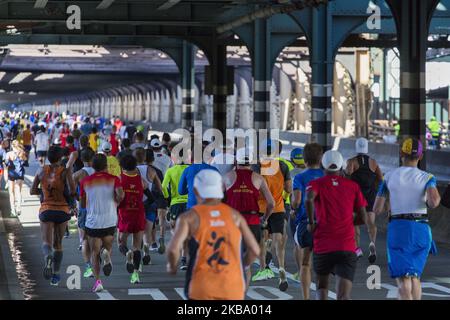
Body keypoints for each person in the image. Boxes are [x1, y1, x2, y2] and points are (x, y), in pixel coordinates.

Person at [167, 169, 260, 300]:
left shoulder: (189, 218)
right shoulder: (235, 216)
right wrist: (242, 266)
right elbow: (254, 250)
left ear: (196, 191)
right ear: (220, 190)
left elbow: (172, 249)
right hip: (232, 287)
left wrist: (172, 267)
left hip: (201, 287)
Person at [373, 138, 441, 300]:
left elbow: (377, 209)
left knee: (403, 280)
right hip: (421, 230)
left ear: (401, 153)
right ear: (420, 156)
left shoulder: (388, 177)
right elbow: (434, 202)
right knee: (415, 276)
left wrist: (391, 201)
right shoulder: (428, 177)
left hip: (399, 229)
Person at [306, 150, 367, 300]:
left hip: (323, 246)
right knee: (344, 295)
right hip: (346, 246)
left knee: (321, 288)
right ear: (341, 167)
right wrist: (349, 222)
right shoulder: (353, 186)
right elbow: (364, 217)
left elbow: (308, 199)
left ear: (323, 165)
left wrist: (311, 222)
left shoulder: (316, 184)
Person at [223, 148, 274, 287]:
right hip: (252, 223)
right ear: (251, 162)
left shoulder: (227, 177)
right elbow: (271, 203)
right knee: (246, 264)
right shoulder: (258, 178)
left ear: (236, 161)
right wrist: (264, 218)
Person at [30, 146, 76, 286]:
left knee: (46, 243)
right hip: (62, 210)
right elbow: (73, 190)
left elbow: (32, 191)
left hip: (46, 209)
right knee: (58, 244)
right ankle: (56, 275)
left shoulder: (40, 170)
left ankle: (47, 256)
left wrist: (44, 190)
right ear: (60, 157)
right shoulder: (65, 171)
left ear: (48, 157)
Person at [79, 153, 124, 292]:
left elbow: (82, 203)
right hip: (110, 219)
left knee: (94, 252)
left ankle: (98, 281)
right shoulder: (114, 179)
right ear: (106, 165)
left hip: (93, 222)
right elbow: (121, 195)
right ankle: (107, 255)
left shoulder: (85, 181)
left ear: (93, 166)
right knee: (108, 246)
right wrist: (116, 201)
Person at [251, 140, 292, 292]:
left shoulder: (257, 166)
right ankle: (281, 268)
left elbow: (254, 185)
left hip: (261, 208)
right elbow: (288, 188)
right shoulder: (283, 166)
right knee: (279, 240)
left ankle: (263, 269)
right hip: (279, 208)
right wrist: (283, 197)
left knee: (262, 239)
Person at [290, 143, 324, 299]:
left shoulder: (300, 177)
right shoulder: (326, 176)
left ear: (304, 159)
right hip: (325, 224)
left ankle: (306, 297)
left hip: (306, 223)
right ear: (321, 158)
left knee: (305, 262)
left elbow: (296, 201)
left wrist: (293, 208)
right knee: (323, 265)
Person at [345, 138, 383, 263]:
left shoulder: (351, 161)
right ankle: (372, 243)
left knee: (355, 224)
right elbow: (381, 179)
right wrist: (374, 186)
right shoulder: (373, 162)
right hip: (370, 196)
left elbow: (347, 175)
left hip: (356, 197)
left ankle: (357, 249)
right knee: (370, 223)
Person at [117, 155, 147, 284]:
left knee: (120, 243)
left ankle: (127, 253)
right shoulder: (141, 180)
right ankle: (135, 275)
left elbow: (117, 197)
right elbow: (145, 189)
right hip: (139, 214)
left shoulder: (120, 179)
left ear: (122, 166)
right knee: (137, 246)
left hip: (125, 215)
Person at [161, 149, 189, 269]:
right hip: (188, 203)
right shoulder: (190, 169)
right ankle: (184, 259)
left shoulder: (171, 170)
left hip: (175, 204)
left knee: (175, 230)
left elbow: (163, 187)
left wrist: (168, 198)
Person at [135, 148, 163, 264]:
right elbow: (160, 188)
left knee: (137, 232)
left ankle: (138, 253)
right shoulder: (152, 171)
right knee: (147, 231)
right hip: (150, 203)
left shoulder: (133, 171)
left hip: (136, 204)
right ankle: (147, 252)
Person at [72, 148, 96, 278]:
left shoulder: (78, 174)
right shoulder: (100, 172)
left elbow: (69, 186)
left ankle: (88, 267)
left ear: (81, 159)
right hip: (99, 208)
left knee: (85, 238)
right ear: (93, 158)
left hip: (84, 207)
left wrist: (76, 197)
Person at [5, 140, 27, 216]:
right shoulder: (22, 153)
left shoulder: (8, 154)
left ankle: (13, 210)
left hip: (11, 174)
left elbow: (6, 165)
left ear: (12, 146)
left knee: (11, 192)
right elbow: (26, 163)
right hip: (20, 174)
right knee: (18, 191)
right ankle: (18, 208)